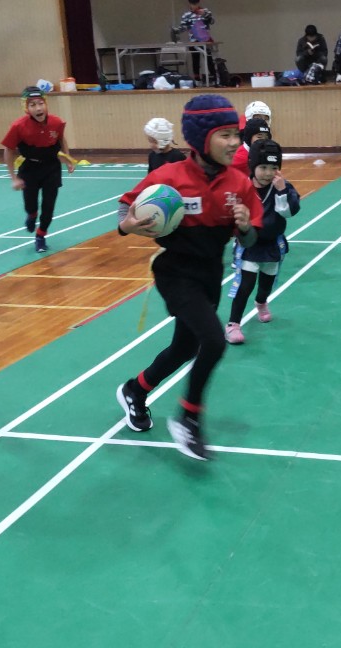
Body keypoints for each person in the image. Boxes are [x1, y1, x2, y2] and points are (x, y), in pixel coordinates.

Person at [115, 95, 263, 460]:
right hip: (175, 272)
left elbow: (251, 239)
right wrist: (127, 225)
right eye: (225, 135)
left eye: (236, 134)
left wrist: (246, 228)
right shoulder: (169, 178)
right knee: (213, 341)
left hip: (209, 273)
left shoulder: (239, 183)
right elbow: (125, 207)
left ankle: (135, 390)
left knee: (185, 348)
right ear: (201, 138)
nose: (235, 142)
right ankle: (189, 418)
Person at [225, 139, 301, 344]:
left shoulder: (283, 186)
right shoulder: (242, 187)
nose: (268, 173)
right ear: (252, 166)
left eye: (274, 168)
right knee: (245, 285)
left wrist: (282, 191)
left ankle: (261, 302)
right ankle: (233, 324)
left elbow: (287, 213)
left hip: (272, 245)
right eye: (263, 167)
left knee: (266, 286)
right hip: (249, 245)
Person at [1, 85, 75, 253]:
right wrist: (13, 177)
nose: (38, 108)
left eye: (41, 103)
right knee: (31, 204)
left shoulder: (57, 122)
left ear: (46, 104)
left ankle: (41, 236)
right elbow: (8, 150)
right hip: (29, 169)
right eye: (32, 105)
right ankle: (32, 214)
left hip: (51, 168)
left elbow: (61, 140)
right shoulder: (18, 126)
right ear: (26, 107)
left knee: (49, 206)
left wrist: (68, 159)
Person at [175, 0, 215, 82]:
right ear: (189, 4)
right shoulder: (186, 15)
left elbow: (212, 22)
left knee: (208, 58)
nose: (194, 6)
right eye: (193, 4)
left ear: (199, 2)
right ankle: (197, 78)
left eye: (196, 4)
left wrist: (205, 15)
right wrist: (177, 30)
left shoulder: (205, 11)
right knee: (195, 59)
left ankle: (213, 76)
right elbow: (183, 27)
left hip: (205, 40)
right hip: (193, 40)